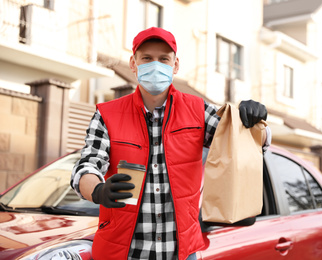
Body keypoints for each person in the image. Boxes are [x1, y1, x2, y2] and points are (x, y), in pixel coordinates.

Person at [71, 27, 271, 260]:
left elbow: (243, 143)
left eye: (164, 59)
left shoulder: (198, 111)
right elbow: (87, 165)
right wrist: (97, 190)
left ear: (175, 66)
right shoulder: (108, 115)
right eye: (147, 58)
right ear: (133, 63)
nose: (155, 65)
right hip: (123, 253)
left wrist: (257, 123)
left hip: (181, 254)